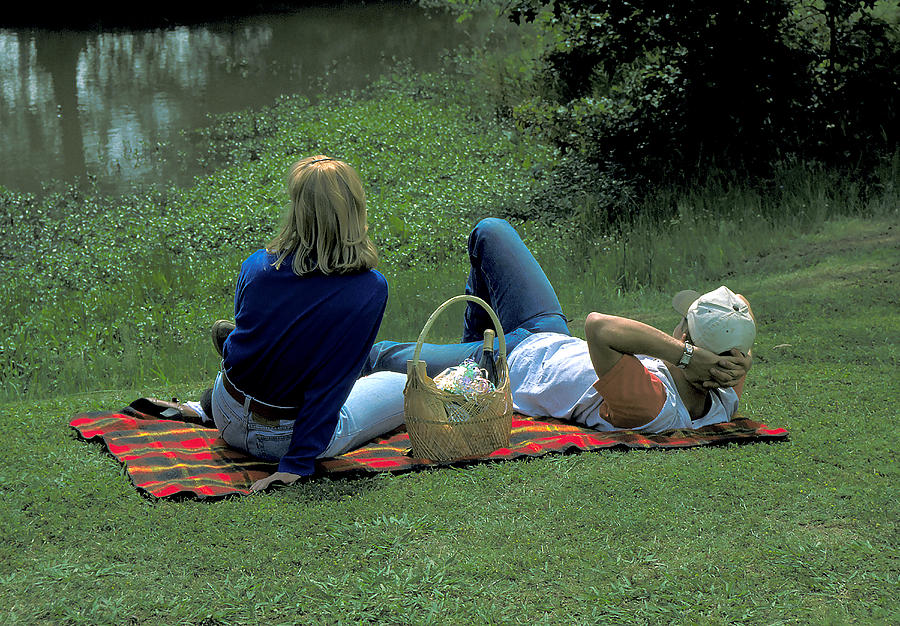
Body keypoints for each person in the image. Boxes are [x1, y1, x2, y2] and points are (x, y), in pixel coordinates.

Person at [362, 217, 755, 432]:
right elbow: (740, 311)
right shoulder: (726, 394)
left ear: (684, 338)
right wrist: (741, 362)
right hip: (548, 332)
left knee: (379, 356)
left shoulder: (654, 406)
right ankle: (470, 348)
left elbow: (599, 326)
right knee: (490, 231)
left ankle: (470, 371)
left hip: (506, 363)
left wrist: (686, 356)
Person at [209, 156, 406, 492]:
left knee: (254, 346)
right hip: (282, 440)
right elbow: (331, 385)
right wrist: (296, 464)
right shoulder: (369, 288)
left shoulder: (255, 266)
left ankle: (208, 402)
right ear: (355, 210)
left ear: (297, 210)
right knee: (401, 384)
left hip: (224, 410)